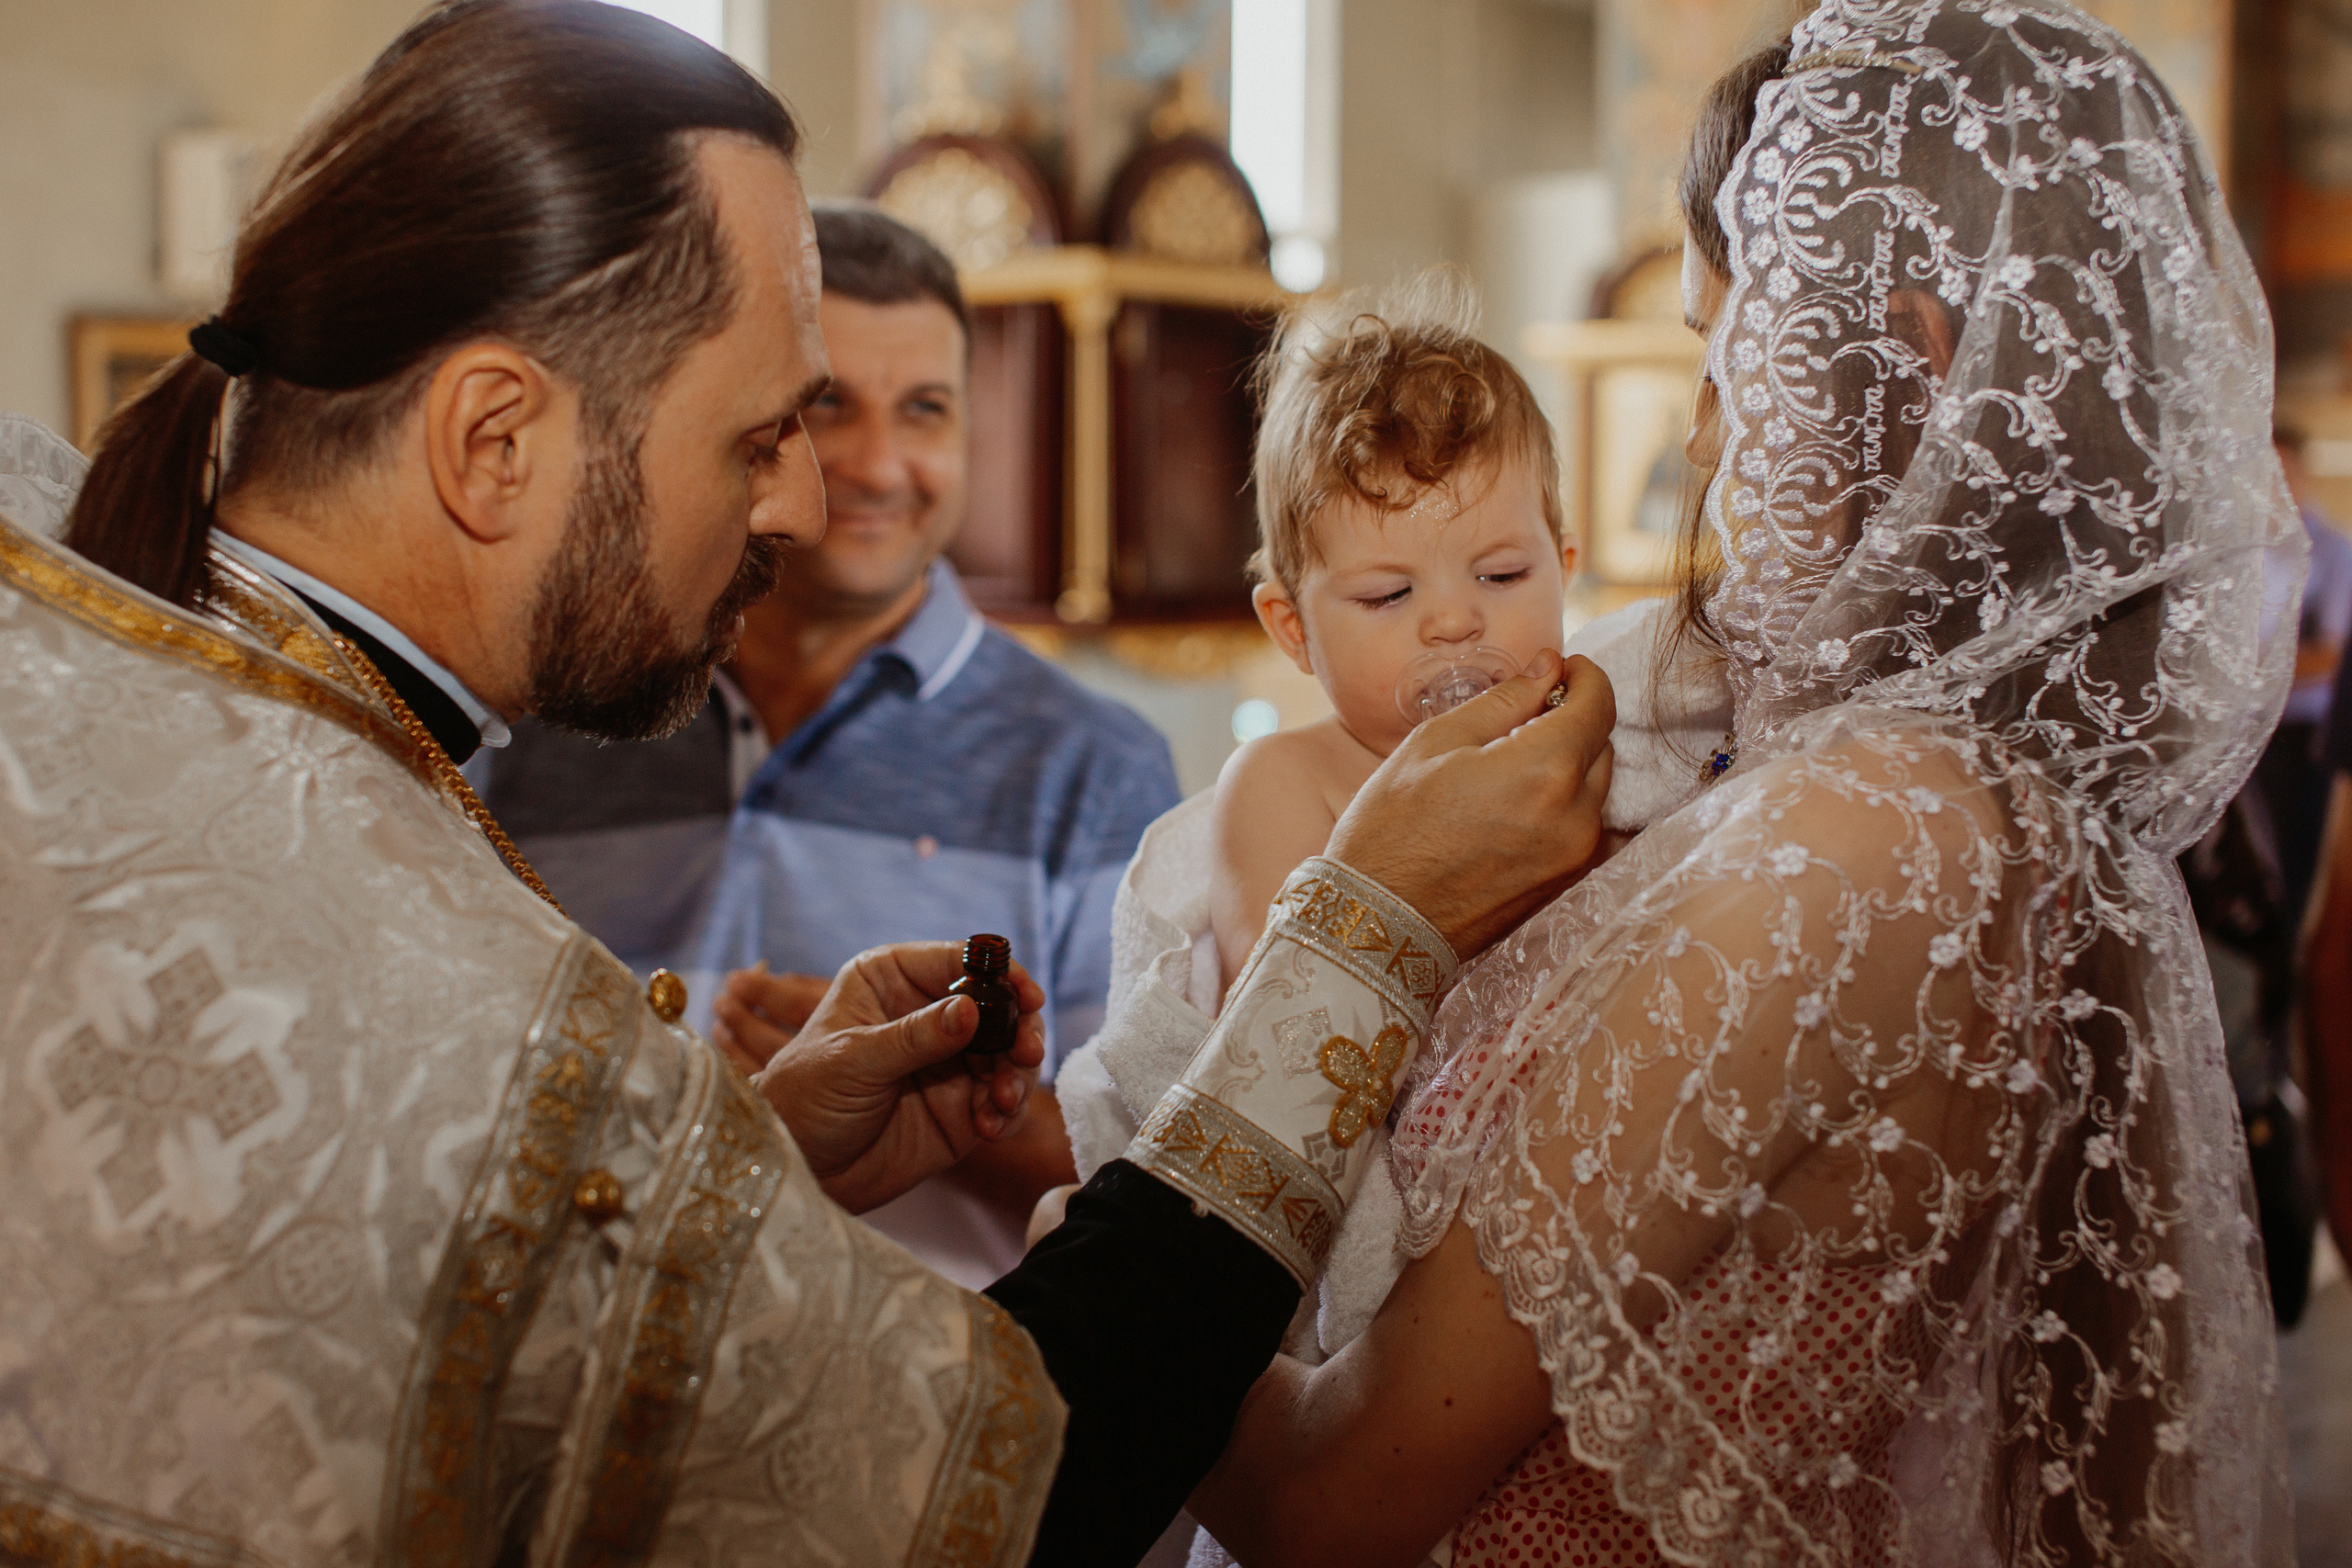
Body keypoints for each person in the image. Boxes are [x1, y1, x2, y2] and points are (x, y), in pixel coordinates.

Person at [0, 4, 1619, 1563]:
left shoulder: (127, 673)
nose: (801, 500)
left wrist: (743, 1149)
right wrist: (1366, 933)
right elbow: (981, 1499)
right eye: (760, 432)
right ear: (493, 440)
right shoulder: (449, 991)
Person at [1114, 6, 2293, 1562]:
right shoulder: (1971, 802)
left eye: (1720, 352)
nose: (1695, 430)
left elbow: (1338, 1500)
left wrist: (1112, 1300)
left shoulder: (1871, 836)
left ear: (1909, 351)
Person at [477, 203, 1177, 1289]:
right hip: (564, 1369)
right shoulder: (549, 705)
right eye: (829, 405)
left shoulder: (1093, 764)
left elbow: (1147, 1184)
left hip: (916, 1403)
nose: (877, 462)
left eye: (927, 410)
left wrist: (914, 1074)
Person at [1207, 273, 1580, 993]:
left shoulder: (1591, 743)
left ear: (1563, 571)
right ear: (1295, 630)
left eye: (1501, 576)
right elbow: (1274, 1018)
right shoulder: (1284, 783)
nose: (1453, 621)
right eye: (1388, 594)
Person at [2255, 423, 2352, 921]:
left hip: (2299, 736)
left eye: (2283, 470)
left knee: (2294, 869)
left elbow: (2332, 654)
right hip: (2239, 735)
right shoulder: (2240, 547)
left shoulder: (2334, 551)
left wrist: (2245, 678)